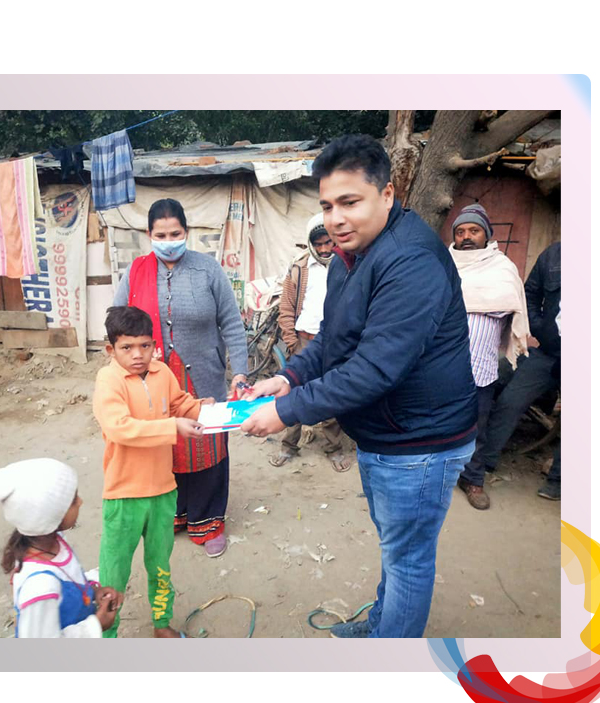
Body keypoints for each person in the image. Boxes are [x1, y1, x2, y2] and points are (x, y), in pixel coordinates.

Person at [241, 134, 478, 639]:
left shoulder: (410, 261)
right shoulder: (355, 257)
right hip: (389, 436)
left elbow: (373, 368)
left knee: (408, 559)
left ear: (387, 195)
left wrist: (287, 411)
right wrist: (288, 377)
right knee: (397, 550)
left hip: (419, 444)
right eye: (327, 205)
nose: (336, 218)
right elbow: (334, 339)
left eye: (350, 202)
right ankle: (380, 626)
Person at [113, 198, 248, 558]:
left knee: (207, 446)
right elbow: (116, 322)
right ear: (149, 235)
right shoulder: (136, 272)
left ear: (186, 232)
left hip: (202, 376)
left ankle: (208, 522)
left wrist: (242, 373)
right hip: (153, 379)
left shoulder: (208, 270)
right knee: (164, 447)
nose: (168, 239)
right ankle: (173, 516)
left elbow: (232, 324)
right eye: (161, 234)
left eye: (175, 233)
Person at [93, 306, 208, 638]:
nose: (138, 355)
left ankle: (162, 623)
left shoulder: (162, 372)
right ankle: (105, 634)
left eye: (145, 346)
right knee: (114, 575)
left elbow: (181, 404)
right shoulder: (108, 380)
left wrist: (211, 409)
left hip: (162, 490)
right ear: (110, 349)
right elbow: (119, 428)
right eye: (127, 348)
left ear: (155, 345)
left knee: (160, 566)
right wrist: (173, 426)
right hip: (124, 495)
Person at [461, 241, 562, 501]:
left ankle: (558, 480)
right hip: (550, 351)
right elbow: (529, 294)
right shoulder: (552, 255)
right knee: (509, 401)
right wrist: (540, 329)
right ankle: (485, 462)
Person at [0, 458, 123, 638]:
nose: (80, 502)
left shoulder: (55, 542)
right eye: (72, 501)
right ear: (52, 516)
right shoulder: (39, 587)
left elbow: (69, 577)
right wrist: (95, 626)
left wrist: (93, 591)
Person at [447, 204, 530, 510]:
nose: (466, 237)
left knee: (476, 427)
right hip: (441, 366)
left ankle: (472, 479)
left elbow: (505, 303)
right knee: (435, 421)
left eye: (473, 230)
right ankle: (438, 473)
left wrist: (466, 301)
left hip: (480, 366)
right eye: (460, 232)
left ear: (486, 234)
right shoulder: (444, 263)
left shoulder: (501, 268)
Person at [270, 212, 351, 472]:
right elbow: (286, 308)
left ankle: (333, 448)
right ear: (310, 243)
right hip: (304, 342)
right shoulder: (299, 268)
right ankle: (288, 445)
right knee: (294, 394)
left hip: (334, 344)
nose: (325, 248)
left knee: (330, 397)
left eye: (330, 242)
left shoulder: (348, 266)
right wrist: (292, 343)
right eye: (320, 243)